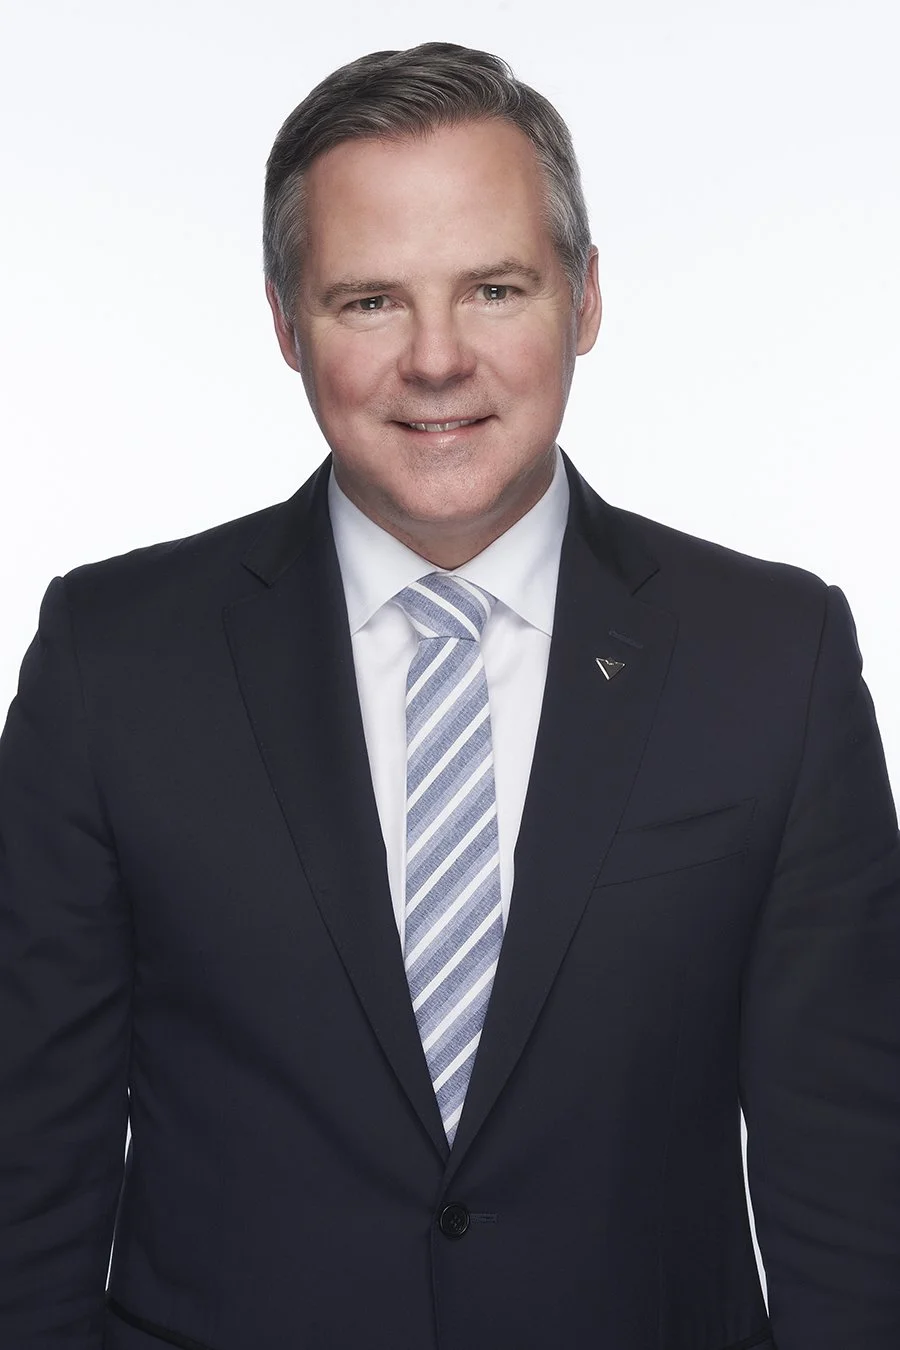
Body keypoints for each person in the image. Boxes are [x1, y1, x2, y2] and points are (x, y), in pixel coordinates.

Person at [1, 40, 898, 1350]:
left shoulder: (776, 657)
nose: (436, 358)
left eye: (493, 288)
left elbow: (854, 1191)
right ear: (284, 320)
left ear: (585, 299)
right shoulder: (111, 658)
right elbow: (30, 1172)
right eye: (369, 300)